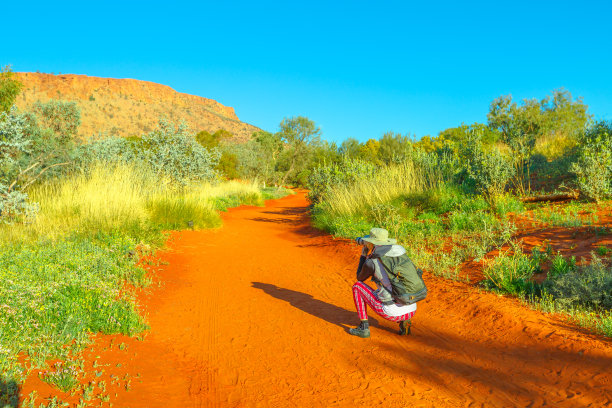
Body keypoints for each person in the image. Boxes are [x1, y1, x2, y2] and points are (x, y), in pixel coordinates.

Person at [349, 228, 418, 338]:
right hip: (411, 307)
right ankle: (404, 321)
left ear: (372, 244)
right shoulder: (399, 253)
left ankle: (364, 328)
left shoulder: (372, 261)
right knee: (389, 286)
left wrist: (363, 255)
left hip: (391, 312)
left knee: (357, 287)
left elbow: (359, 278)